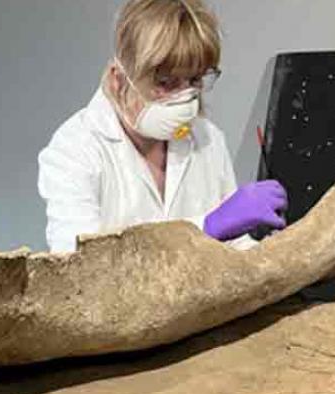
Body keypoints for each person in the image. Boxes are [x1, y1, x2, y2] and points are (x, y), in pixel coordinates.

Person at [38, 0, 288, 253]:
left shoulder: (208, 139)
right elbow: (81, 267)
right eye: (166, 82)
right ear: (119, 79)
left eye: (194, 80)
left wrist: (272, 254)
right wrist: (206, 228)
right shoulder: (74, 149)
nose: (185, 97)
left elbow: (234, 250)